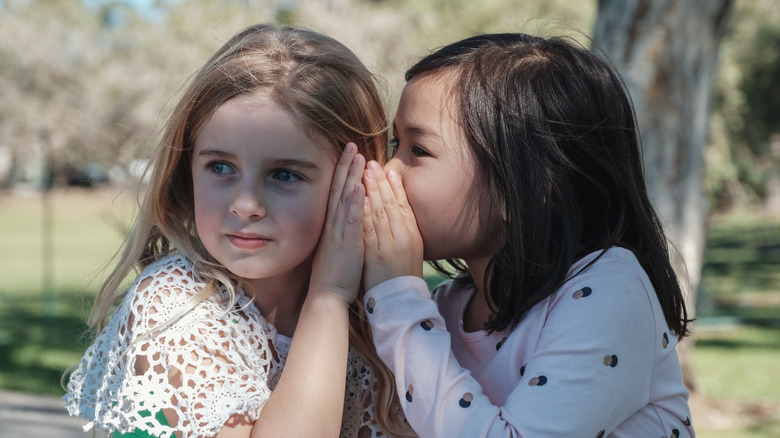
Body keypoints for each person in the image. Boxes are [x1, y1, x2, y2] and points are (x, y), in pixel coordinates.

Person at [63, 23, 412, 438]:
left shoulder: (381, 318)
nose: (245, 205)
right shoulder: (175, 304)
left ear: (354, 183)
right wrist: (328, 297)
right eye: (221, 167)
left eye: (284, 174)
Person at [359, 32, 695, 437]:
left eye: (418, 150)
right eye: (397, 143)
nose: (386, 172)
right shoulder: (446, 308)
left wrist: (398, 297)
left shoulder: (610, 290)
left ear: (524, 186)